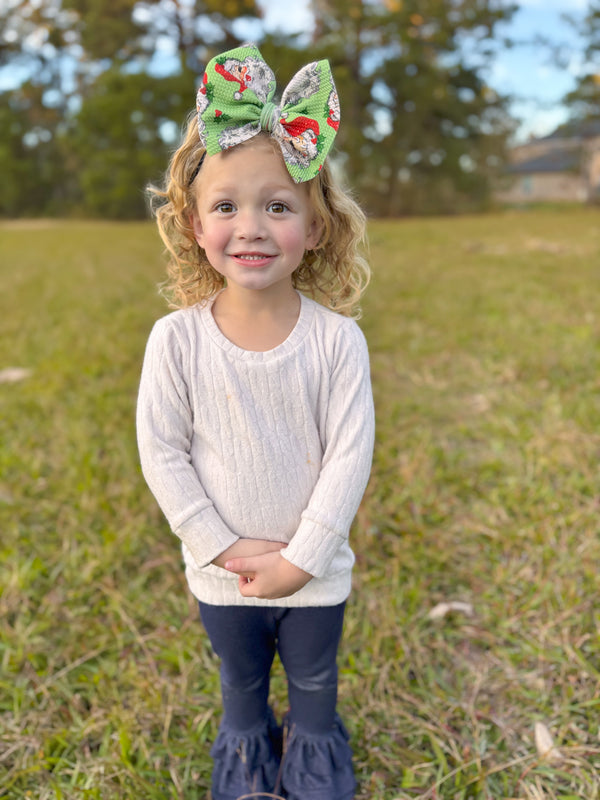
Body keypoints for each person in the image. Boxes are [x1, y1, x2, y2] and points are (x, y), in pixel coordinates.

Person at [137, 43, 374, 800]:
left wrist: (302, 557)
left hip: (315, 575)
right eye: (227, 205)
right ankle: (245, 754)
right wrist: (224, 547)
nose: (252, 226)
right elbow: (163, 453)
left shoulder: (338, 341)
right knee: (240, 678)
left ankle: (312, 754)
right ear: (195, 222)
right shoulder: (176, 339)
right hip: (222, 573)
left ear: (315, 222)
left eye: (278, 205)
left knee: (313, 674)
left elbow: (348, 457)